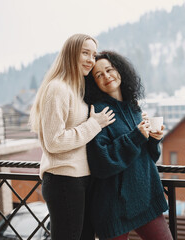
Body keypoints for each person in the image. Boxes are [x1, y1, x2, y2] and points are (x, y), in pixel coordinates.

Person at [29, 34, 115, 240]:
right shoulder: (57, 88)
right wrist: (93, 125)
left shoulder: (77, 90)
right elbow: (54, 141)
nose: (90, 60)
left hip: (81, 179)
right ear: (70, 54)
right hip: (63, 180)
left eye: (93, 55)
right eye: (85, 53)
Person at [84, 50, 173, 240]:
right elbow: (101, 162)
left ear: (120, 70)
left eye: (109, 69)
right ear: (94, 83)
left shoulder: (134, 107)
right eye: (99, 75)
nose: (106, 76)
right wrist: (135, 137)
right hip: (113, 206)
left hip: (145, 198)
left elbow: (148, 157)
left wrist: (153, 139)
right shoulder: (99, 112)